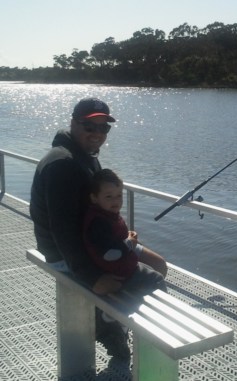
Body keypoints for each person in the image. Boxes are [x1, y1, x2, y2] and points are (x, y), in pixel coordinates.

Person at [30, 97, 167, 360]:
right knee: (154, 281)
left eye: (104, 128)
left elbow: (96, 209)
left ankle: (113, 316)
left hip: (98, 238)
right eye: (89, 126)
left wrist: (122, 236)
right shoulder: (63, 164)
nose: (97, 134)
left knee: (158, 264)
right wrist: (92, 278)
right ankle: (111, 327)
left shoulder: (83, 156)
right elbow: (63, 231)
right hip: (69, 253)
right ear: (73, 123)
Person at [84, 168, 165, 292]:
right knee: (157, 279)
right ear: (94, 198)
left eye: (119, 195)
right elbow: (109, 254)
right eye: (108, 196)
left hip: (120, 266)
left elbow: (110, 239)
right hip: (119, 273)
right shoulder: (98, 223)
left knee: (156, 266)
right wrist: (130, 243)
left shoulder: (105, 213)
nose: (115, 200)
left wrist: (126, 236)